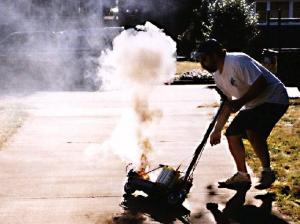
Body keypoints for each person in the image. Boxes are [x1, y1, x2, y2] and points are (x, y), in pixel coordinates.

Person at [193, 39, 289, 189]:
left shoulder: (238, 61)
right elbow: (227, 104)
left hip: (274, 98)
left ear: (214, 55)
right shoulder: (218, 76)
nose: (202, 64)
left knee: (253, 131)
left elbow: (261, 83)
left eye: (204, 58)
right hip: (254, 104)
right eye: (200, 60)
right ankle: (242, 176)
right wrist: (217, 131)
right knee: (231, 133)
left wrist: (240, 102)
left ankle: (267, 172)